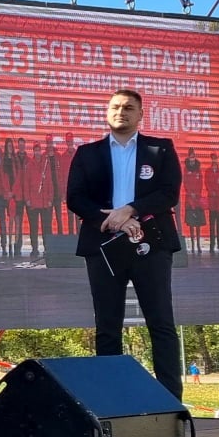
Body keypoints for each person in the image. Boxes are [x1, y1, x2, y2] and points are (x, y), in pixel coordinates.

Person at [65, 88, 185, 398]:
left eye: (129, 107)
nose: (121, 112)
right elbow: (75, 198)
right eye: (116, 107)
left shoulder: (160, 149)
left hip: (150, 243)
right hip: (103, 245)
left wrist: (130, 210)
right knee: (107, 326)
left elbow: (168, 193)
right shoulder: (87, 153)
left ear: (141, 114)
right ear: (107, 113)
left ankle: (171, 400)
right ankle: (113, 401)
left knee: (161, 322)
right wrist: (114, 221)